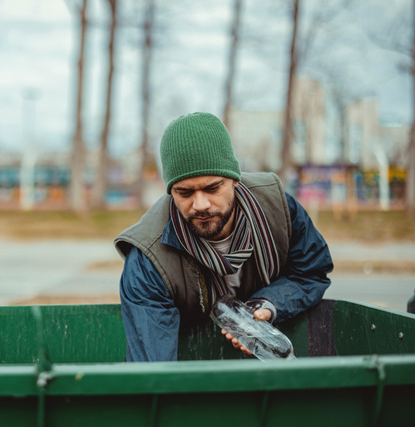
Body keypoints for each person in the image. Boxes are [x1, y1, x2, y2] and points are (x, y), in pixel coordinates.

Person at [114, 112, 333, 362]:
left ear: (234, 179)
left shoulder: (277, 208)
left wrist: (268, 305)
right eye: (184, 192)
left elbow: (311, 273)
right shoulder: (148, 256)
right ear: (170, 192)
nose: (200, 204)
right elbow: (153, 367)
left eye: (212, 188)